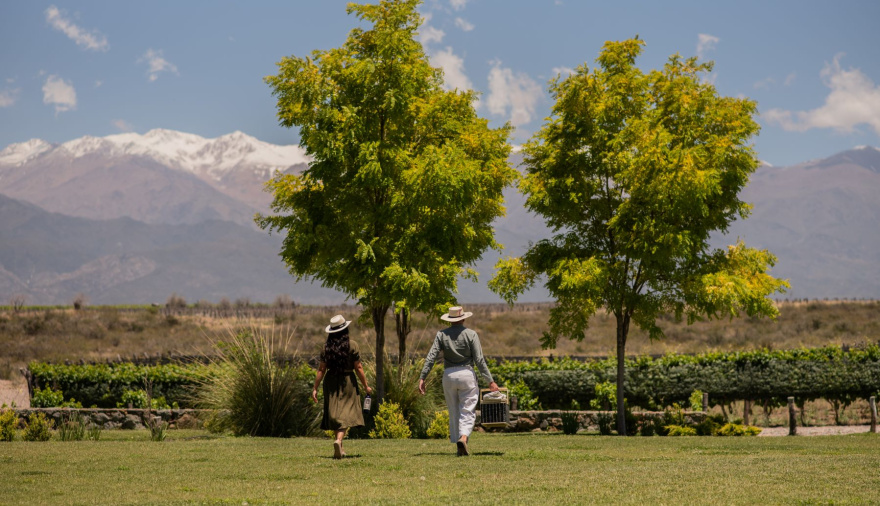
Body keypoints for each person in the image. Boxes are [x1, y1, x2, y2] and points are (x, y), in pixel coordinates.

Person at [418, 306, 499, 456]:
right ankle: (463, 437)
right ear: (463, 318)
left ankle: (459, 446)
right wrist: (490, 380)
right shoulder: (471, 334)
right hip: (466, 373)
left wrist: (423, 376)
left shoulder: (441, 334)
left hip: (448, 375)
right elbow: (479, 360)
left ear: (450, 319)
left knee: (454, 411)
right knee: (467, 409)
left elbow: (431, 357)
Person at [312, 314, 372, 459]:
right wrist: (366, 386)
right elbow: (358, 367)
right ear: (345, 330)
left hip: (330, 381)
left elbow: (321, 369)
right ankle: (339, 441)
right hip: (347, 381)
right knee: (345, 413)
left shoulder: (326, 348)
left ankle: (340, 446)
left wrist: (315, 388)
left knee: (334, 413)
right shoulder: (352, 345)